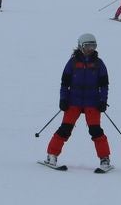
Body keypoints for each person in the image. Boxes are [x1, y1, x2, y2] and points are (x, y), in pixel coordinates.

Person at [43, 33, 112, 171]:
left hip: (92, 102)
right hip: (73, 101)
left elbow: (104, 85)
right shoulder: (73, 62)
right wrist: (63, 99)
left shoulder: (99, 64)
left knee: (96, 131)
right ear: (81, 46)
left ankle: (105, 159)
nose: (90, 49)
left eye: (93, 46)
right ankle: (52, 155)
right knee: (65, 129)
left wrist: (103, 101)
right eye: (87, 46)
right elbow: (64, 83)